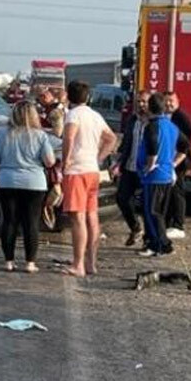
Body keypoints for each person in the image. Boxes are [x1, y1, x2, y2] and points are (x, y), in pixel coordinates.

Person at [0, 101, 56, 273]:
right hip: (34, 183)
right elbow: (49, 161)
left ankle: (9, 261)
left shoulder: (2, 133)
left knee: (9, 221)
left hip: (7, 180)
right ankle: (30, 262)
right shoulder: (39, 136)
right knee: (31, 223)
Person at [59, 81, 117, 277]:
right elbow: (111, 138)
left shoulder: (73, 115)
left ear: (69, 96)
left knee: (77, 218)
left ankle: (78, 264)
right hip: (92, 170)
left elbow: (69, 137)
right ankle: (91, 262)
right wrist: (98, 157)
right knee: (92, 216)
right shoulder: (95, 115)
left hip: (76, 170)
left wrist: (65, 161)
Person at [137, 93, 181, 257]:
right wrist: (173, 164)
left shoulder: (153, 126)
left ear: (150, 107)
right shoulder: (172, 126)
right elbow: (184, 146)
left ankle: (162, 245)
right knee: (159, 212)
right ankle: (159, 244)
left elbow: (153, 145)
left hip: (154, 176)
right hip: (166, 175)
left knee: (152, 212)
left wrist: (149, 165)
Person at [114, 90, 150, 247]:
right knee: (122, 198)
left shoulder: (153, 122)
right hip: (130, 166)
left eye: (144, 101)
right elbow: (126, 142)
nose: (140, 105)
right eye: (138, 102)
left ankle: (148, 239)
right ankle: (135, 228)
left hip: (145, 169)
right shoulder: (132, 120)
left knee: (146, 205)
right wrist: (118, 161)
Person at [164, 91, 191, 240]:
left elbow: (190, 132)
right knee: (169, 193)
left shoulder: (180, 116)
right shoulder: (165, 116)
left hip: (179, 161)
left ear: (177, 101)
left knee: (177, 193)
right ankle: (169, 223)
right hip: (169, 159)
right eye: (166, 101)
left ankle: (178, 225)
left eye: (172, 101)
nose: (169, 104)